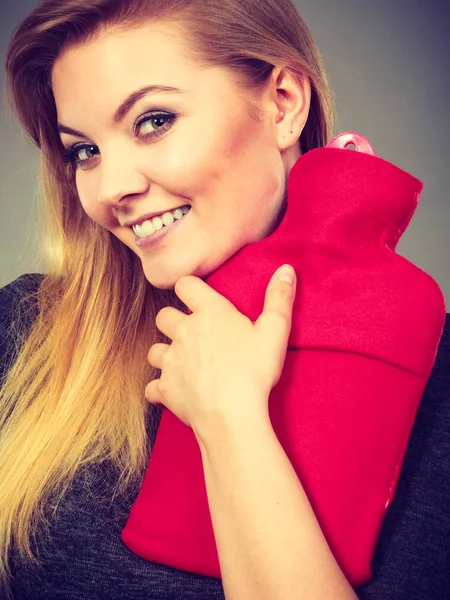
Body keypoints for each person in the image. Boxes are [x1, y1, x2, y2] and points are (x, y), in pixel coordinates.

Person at [0, 1, 449, 599]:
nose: (110, 189)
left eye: (153, 120)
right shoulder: (26, 336)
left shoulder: (433, 371)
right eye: (84, 151)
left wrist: (232, 422)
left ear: (283, 104)